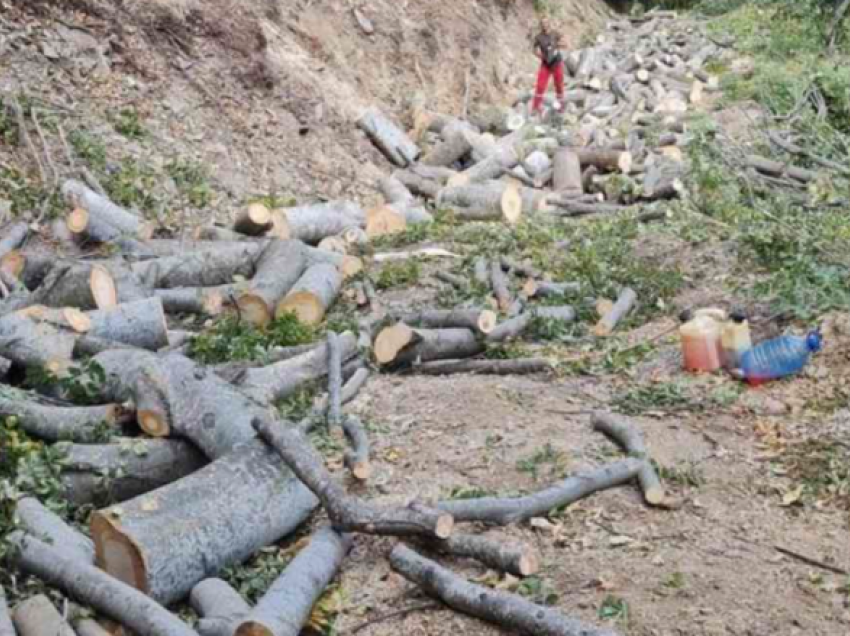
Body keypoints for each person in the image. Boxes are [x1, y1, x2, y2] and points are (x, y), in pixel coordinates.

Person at [531, 17, 567, 117]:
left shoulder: (555, 33)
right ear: (540, 25)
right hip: (546, 64)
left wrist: (558, 45)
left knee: (559, 85)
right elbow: (533, 50)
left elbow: (566, 44)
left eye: (546, 23)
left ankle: (561, 106)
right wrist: (541, 56)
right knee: (540, 86)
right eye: (542, 23)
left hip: (556, 62)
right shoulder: (538, 37)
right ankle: (535, 108)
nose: (544, 25)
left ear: (549, 23)